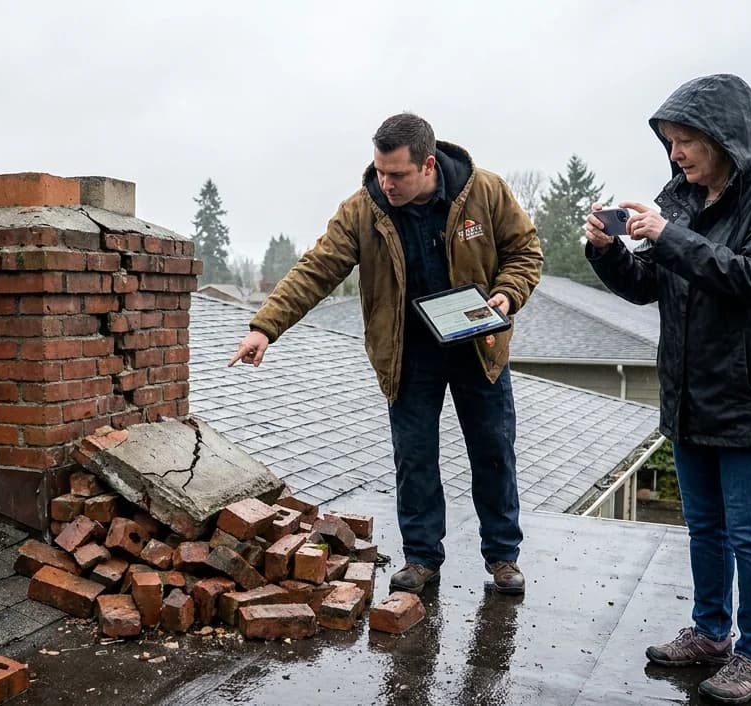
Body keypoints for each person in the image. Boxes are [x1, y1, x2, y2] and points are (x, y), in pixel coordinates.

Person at [229, 113, 543, 595]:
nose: (386, 183)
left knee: (494, 451)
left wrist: (506, 294)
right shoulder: (363, 210)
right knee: (414, 458)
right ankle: (421, 558)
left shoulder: (485, 192)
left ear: (428, 165)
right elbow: (317, 269)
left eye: (397, 174)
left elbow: (525, 252)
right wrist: (264, 328)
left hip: (477, 347)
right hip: (407, 353)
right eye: (379, 171)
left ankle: (503, 556)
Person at [583, 74, 751, 703]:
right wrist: (607, 251)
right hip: (690, 395)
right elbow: (647, 285)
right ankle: (711, 633)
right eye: (670, 141)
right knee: (705, 527)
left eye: (686, 140)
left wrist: (668, 234)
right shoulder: (679, 199)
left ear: (724, 137)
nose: (676, 152)